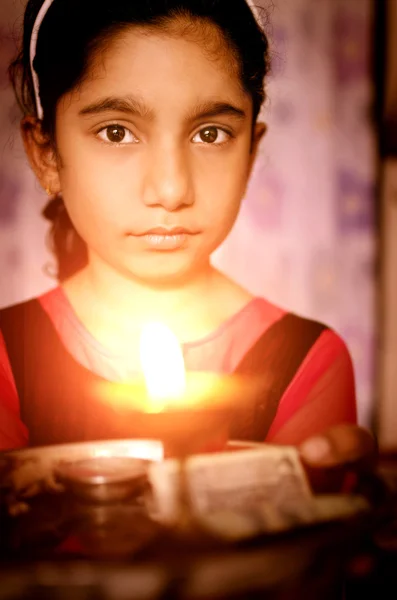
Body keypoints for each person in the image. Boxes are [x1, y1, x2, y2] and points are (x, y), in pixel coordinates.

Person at [0, 0, 375, 486]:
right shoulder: (7, 357)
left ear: (250, 153)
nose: (172, 189)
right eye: (117, 133)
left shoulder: (307, 361)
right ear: (47, 154)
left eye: (211, 133)